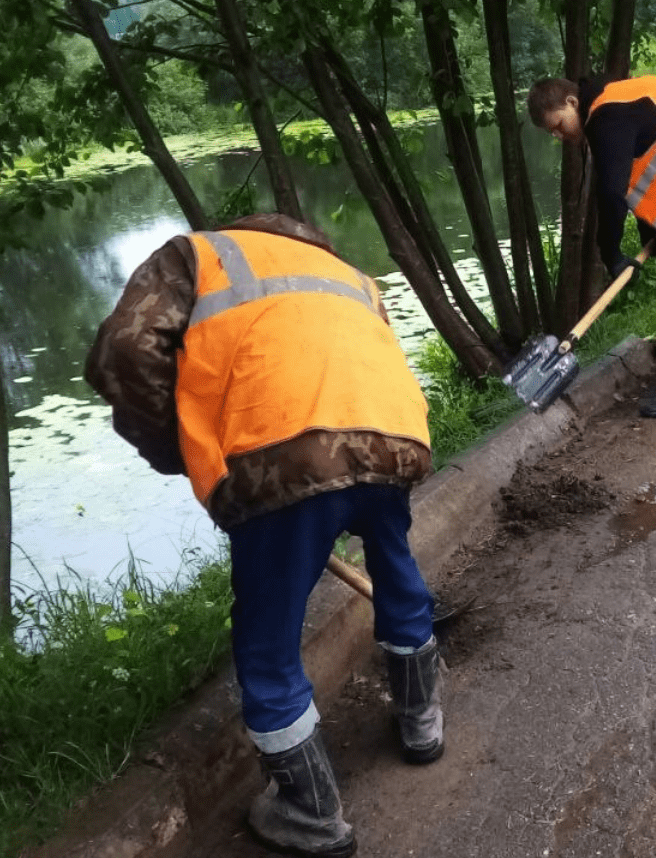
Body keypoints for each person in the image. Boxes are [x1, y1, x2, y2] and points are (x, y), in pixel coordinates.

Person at [85, 213, 444, 858]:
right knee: (395, 569)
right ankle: (422, 724)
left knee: (267, 643)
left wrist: (180, 448)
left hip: (281, 459)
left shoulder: (197, 256)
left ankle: (310, 813)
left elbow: (125, 348)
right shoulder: (347, 274)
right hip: (395, 443)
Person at [526, 74, 656, 419]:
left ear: (571, 103)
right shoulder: (614, 101)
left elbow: (612, 194)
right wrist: (650, 236)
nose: (558, 136)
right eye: (551, 133)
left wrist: (610, 253)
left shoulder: (607, 116)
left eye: (557, 125)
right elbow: (646, 166)